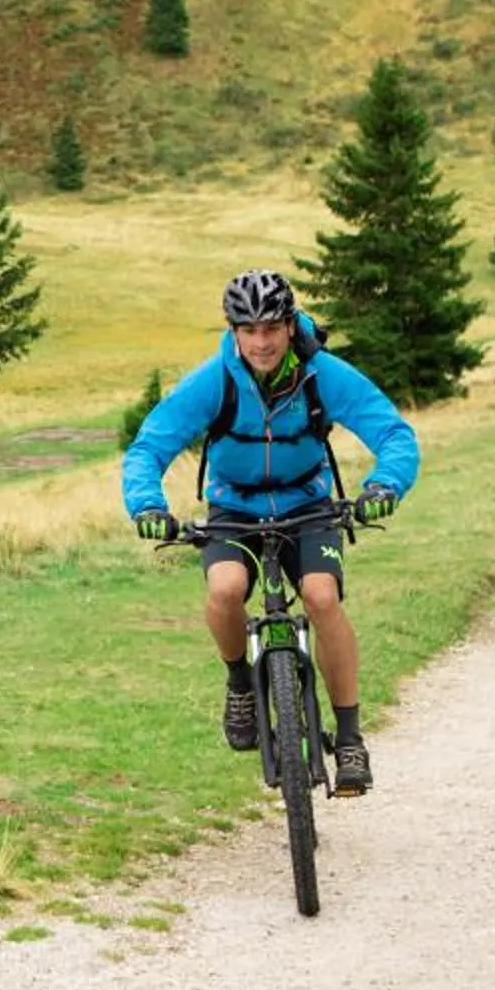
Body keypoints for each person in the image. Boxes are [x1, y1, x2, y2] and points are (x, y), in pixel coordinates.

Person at [120, 268, 420, 794]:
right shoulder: (214, 379)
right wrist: (147, 504)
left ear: (288, 326)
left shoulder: (320, 373)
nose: (261, 341)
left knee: (322, 597)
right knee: (225, 589)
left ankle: (349, 737)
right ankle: (240, 683)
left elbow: (392, 432)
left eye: (271, 328)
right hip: (234, 509)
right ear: (234, 331)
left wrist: (382, 486)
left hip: (307, 503)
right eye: (249, 329)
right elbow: (149, 447)